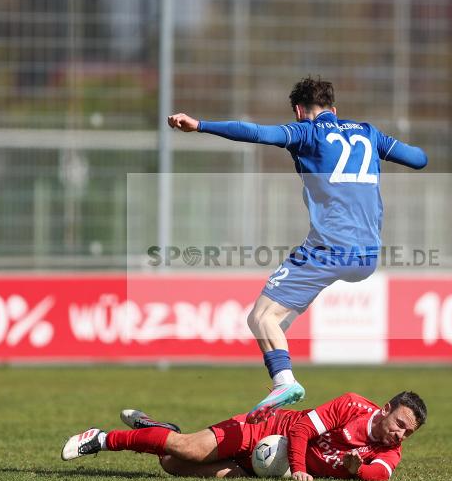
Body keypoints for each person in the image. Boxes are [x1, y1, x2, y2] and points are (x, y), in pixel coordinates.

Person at [167, 77, 428, 422]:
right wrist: (382, 147)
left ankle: (284, 381)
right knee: (274, 322)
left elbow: (255, 132)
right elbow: (419, 159)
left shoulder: (306, 132)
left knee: (260, 317)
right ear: (334, 109)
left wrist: (200, 125)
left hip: (329, 249)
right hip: (367, 256)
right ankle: (278, 372)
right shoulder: (369, 133)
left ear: (299, 111)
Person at [61, 390, 427, 481]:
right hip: (264, 430)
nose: (400, 434)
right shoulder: (351, 405)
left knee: (172, 464)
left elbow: (381, 474)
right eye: (399, 423)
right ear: (385, 409)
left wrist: (356, 470)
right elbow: (301, 429)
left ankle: (158, 429)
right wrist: (300, 470)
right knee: (189, 449)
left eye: (408, 432)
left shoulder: (388, 450)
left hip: (261, 466)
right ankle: (102, 439)